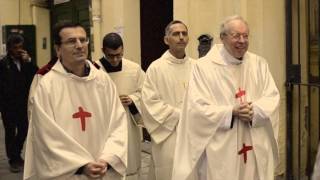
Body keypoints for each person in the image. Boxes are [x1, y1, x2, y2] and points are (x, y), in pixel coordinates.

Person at [171, 15, 280, 180]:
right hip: (221, 150)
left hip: (254, 144)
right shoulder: (204, 68)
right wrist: (231, 112)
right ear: (222, 37)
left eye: (245, 36)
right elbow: (196, 109)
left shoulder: (259, 64)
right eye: (236, 36)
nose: (242, 41)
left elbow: (272, 97)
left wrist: (255, 110)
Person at [23, 22, 128, 180]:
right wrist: (82, 165)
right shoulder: (47, 85)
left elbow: (118, 123)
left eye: (83, 40)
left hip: (103, 169)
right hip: (68, 173)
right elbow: (46, 135)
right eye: (72, 41)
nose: (79, 46)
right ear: (58, 49)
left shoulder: (102, 80)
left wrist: (108, 158)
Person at [141, 20, 195, 180]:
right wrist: (181, 115)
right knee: (169, 172)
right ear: (166, 40)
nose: (181, 37)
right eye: (175, 34)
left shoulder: (197, 67)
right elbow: (150, 102)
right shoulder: (156, 68)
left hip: (194, 131)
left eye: (184, 33)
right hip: (169, 134)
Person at [96, 32, 145, 180]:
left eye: (119, 55)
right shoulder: (94, 70)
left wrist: (132, 99)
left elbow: (147, 93)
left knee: (130, 163)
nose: (116, 59)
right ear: (103, 50)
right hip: (105, 125)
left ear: (123, 49)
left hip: (129, 124)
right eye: (111, 56)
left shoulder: (134, 68)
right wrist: (112, 101)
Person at [0, 33, 38, 173]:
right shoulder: (3, 64)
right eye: (15, 48)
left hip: (23, 103)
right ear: (10, 48)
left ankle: (16, 154)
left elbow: (36, 74)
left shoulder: (25, 61)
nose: (18, 50)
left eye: (20, 47)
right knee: (10, 132)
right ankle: (13, 159)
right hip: (8, 105)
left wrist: (29, 61)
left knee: (24, 129)